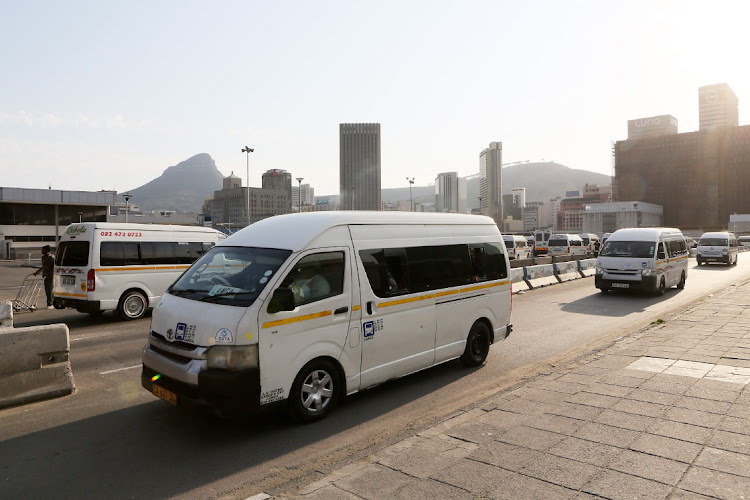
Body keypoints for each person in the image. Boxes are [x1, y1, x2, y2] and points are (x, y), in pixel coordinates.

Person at [34, 245, 55, 309]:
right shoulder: (43, 257)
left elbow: (54, 268)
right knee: (47, 290)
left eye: (42, 250)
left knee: (49, 290)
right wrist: (38, 271)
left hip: (50, 276)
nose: (41, 251)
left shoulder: (52, 258)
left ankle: (50, 304)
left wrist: (49, 274)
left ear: (46, 251)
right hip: (45, 275)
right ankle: (52, 302)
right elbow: (43, 266)